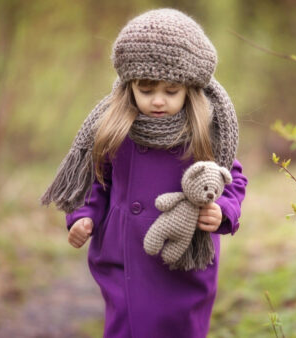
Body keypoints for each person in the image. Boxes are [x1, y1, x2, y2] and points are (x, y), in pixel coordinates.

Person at [41, 8, 248, 338]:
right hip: (125, 255)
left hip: (182, 261)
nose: (158, 101)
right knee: (127, 327)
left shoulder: (203, 131)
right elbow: (98, 179)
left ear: (189, 88)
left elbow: (232, 179)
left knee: (179, 329)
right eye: (147, 90)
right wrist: (84, 216)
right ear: (129, 85)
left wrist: (223, 211)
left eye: (171, 91)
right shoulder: (116, 128)